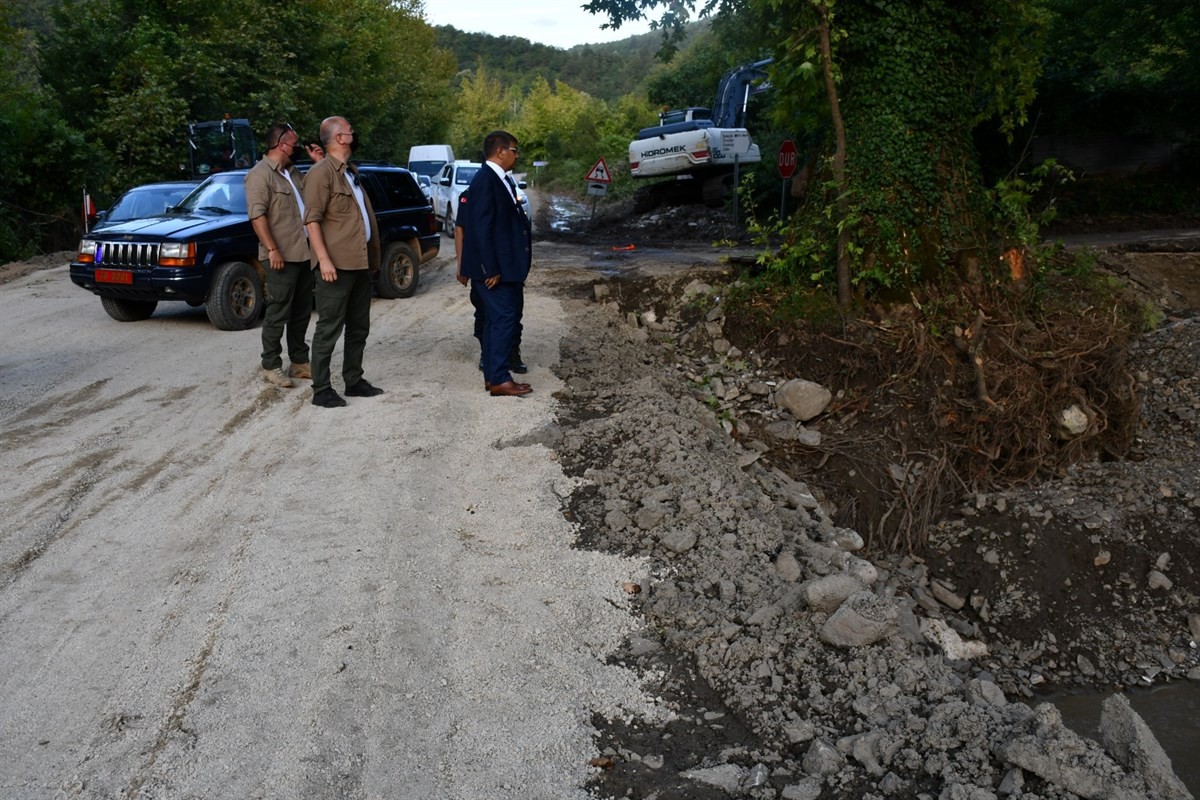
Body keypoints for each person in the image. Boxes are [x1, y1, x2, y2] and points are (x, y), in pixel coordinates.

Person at [302, 116, 384, 408]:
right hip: (335, 266)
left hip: (359, 263)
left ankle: (354, 380)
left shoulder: (350, 172)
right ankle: (321, 389)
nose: (354, 133)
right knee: (329, 327)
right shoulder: (321, 173)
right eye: (350, 130)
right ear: (339, 138)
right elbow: (311, 221)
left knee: (359, 326)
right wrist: (323, 260)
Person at [245, 123, 322, 389]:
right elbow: (257, 216)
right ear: (280, 144)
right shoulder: (260, 175)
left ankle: (300, 363)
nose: (298, 148)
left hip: (302, 252)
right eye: (294, 143)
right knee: (278, 311)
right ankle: (271, 365)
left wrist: (318, 162)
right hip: (280, 254)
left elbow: (315, 191)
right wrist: (272, 249)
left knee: (301, 311)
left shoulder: (294, 173)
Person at [459, 131, 532, 397]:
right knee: (503, 319)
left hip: (505, 267)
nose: (517, 154)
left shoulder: (499, 179)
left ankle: (494, 376)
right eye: (514, 149)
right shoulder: (486, 180)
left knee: (495, 320)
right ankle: (500, 377)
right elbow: (480, 228)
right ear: (501, 151)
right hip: (495, 270)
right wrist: (489, 268)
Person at [455, 181, 527, 375]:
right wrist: (462, 265)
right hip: (484, 266)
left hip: (509, 265)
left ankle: (512, 352)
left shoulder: (508, 189)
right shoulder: (471, 193)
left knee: (514, 313)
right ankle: (486, 354)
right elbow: (460, 228)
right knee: (485, 313)